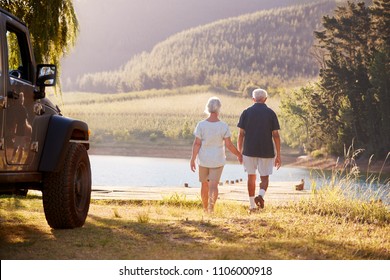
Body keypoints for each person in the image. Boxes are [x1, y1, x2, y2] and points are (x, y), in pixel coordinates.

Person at [190, 97, 242, 213]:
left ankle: (204, 209)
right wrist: (239, 154)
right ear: (219, 109)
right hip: (218, 160)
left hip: (203, 160)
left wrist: (193, 159)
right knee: (213, 186)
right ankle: (211, 209)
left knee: (204, 185)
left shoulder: (201, 125)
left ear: (208, 108)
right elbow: (228, 145)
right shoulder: (223, 126)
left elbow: (197, 144)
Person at [237, 88, 281, 213]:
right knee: (265, 177)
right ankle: (260, 196)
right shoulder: (271, 113)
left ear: (253, 99)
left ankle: (252, 206)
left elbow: (241, 134)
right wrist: (278, 155)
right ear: (265, 99)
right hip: (266, 151)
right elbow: (276, 135)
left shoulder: (246, 112)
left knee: (251, 177)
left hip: (249, 150)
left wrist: (240, 152)